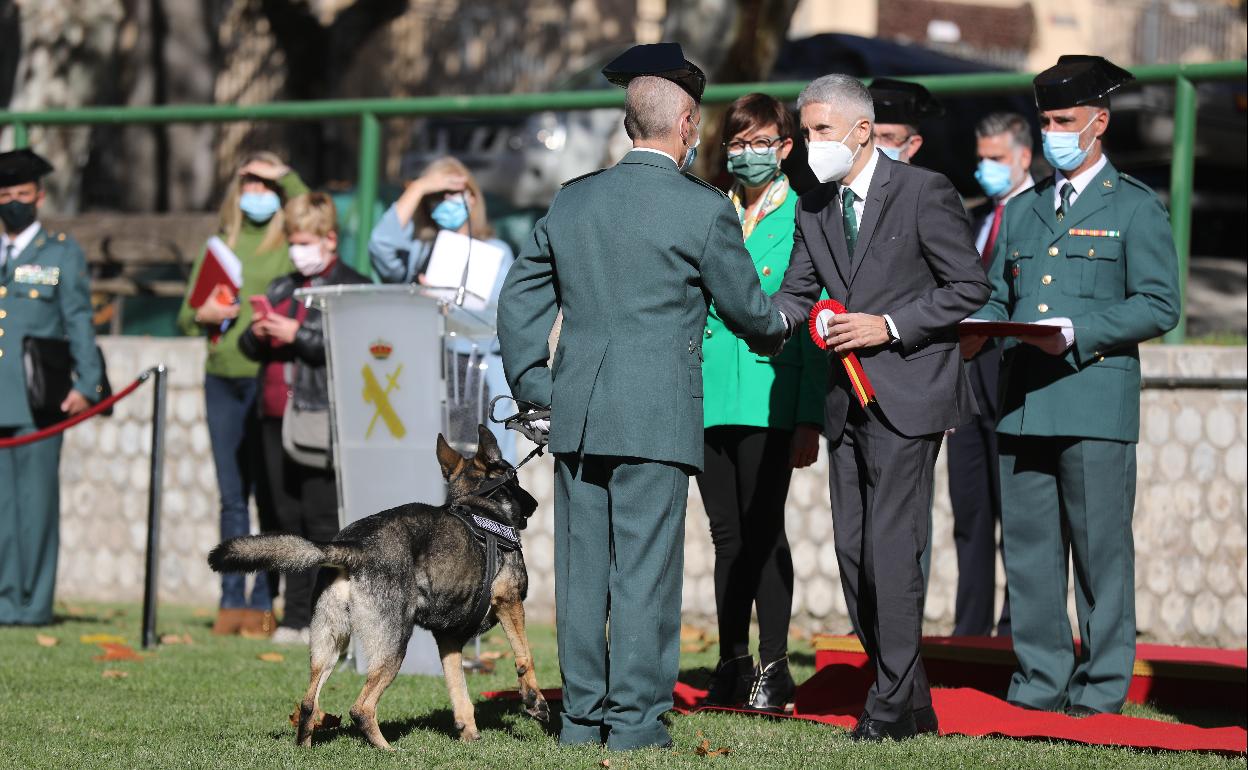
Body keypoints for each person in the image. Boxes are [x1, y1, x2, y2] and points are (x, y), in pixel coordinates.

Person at [497, 42, 785, 751]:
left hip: (579, 413)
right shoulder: (703, 210)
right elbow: (748, 310)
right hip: (657, 413)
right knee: (646, 577)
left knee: (583, 574)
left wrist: (537, 386)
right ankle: (633, 725)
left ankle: (583, 718)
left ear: (631, 123)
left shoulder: (574, 200)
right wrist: (782, 327)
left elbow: (520, 301)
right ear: (686, 120)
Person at [769, 74, 990, 741]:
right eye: (806, 133)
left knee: (892, 550)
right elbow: (796, 296)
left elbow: (968, 287)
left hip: (909, 397)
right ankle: (912, 698)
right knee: (853, 551)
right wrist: (744, 314)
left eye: (821, 131)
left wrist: (887, 326)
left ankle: (889, 708)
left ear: (862, 131)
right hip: (846, 404)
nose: (811, 144)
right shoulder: (814, 208)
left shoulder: (925, 192)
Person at [963, 55, 1180, 716]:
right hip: (1024, 405)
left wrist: (1079, 331)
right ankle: (1038, 685)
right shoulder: (1024, 211)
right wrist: (981, 325)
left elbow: (1160, 303)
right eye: (1046, 119)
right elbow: (1001, 293)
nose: (1053, 131)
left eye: (1065, 120)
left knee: (1100, 558)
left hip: (1093, 403)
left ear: (1099, 123)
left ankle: (1100, 690)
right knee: (1028, 558)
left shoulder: (1135, 208)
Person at [697, 93, 825, 713]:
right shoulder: (708, 209)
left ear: (785, 147)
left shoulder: (806, 212)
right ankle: (731, 660)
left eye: (761, 142)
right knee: (726, 536)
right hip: (706, 395)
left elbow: (813, 318)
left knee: (763, 531)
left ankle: (774, 666)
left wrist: (808, 415)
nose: (748, 154)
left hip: (771, 393)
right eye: (737, 142)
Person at [177, 151, 308, 637]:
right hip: (222, 378)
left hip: (266, 378)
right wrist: (202, 315)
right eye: (247, 183)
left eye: (265, 184)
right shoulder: (221, 244)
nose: (255, 191)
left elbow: (310, 210)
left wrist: (285, 174)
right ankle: (231, 598)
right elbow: (186, 314)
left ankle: (264, 600)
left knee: (271, 498)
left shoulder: (285, 246)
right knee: (232, 498)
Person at [239, 192, 369, 644]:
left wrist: (300, 334)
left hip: (322, 418)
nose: (298, 251)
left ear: (330, 239)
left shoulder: (354, 285)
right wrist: (258, 334)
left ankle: (323, 616)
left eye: (305, 241)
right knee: (283, 517)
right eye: (293, 241)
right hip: (274, 413)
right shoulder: (282, 286)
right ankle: (292, 617)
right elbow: (245, 347)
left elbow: (357, 347)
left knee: (321, 519)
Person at [0, 149, 101, 626]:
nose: (13, 203)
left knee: (35, 504)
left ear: (38, 197)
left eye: (21, 195)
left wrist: (87, 382)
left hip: (37, 398)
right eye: (5, 196)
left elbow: (78, 319)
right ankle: (3, 598)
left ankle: (32, 604)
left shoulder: (60, 251)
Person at [946, 112, 1036, 639]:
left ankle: (1015, 627)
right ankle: (971, 630)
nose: (986, 169)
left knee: (1018, 514)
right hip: (968, 381)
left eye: (997, 159)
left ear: (1024, 157)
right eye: (981, 159)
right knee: (971, 512)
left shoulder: (1044, 214)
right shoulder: (978, 217)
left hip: (1014, 375)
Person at [368, 156, 516, 463]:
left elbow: (502, 321)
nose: (445, 202)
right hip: (429, 376)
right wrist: (419, 187)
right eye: (438, 196)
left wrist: (449, 311)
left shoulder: (496, 252)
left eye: (454, 193)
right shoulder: (420, 250)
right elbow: (381, 245)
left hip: (479, 380)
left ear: (473, 197)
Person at [868, 78, 943, 165]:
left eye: (888, 138)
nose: (875, 145)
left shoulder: (928, 179)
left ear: (912, 145)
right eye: (869, 136)